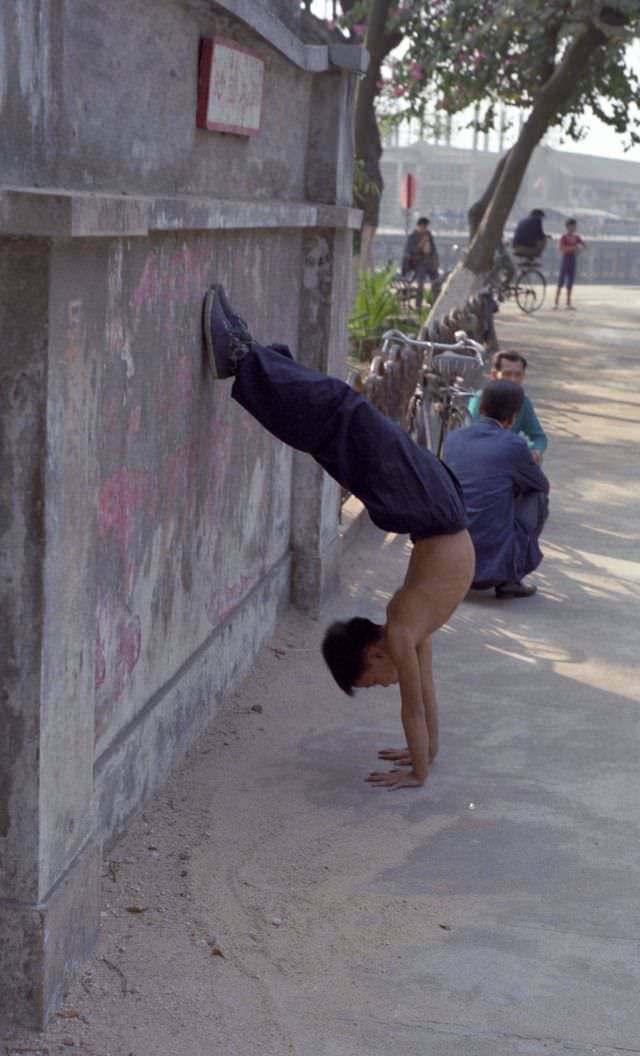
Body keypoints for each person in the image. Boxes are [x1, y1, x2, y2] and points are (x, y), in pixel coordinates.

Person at [202, 284, 475, 790]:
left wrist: (424, 758)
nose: (383, 686)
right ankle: (246, 357)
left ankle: (249, 357)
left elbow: (420, 703)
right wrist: (421, 766)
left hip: (435, 506)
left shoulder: (408, 628)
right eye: (373, 684)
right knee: (338, 418)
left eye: (370, 684)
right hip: (433, 506)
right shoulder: (402, 634)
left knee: (337, 421)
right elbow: (416, 707)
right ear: (372, 655)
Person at [443, 380, 549, 599]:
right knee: (537, 496)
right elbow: (540, 485)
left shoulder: (453, 438)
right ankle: (510, 578)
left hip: (449, 561)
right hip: (489, 571)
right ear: (513, 418)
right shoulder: (514, 445)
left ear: (480, 408)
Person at [467, 350, 548, 464]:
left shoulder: (523, 401)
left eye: (518, 375)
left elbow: (539, 437)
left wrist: (536, 451)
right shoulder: (480, 399)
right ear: (494, 375)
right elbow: (471, 436)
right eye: (507, 374)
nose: (513, 380)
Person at [401, 216, 439, 309]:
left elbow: (433, 250)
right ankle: (418, 306)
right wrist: (421, 243)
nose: (424, 229)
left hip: (429, 263)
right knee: (420, 284)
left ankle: (435, 304)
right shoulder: (412, 237)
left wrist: (435, 261)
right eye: (422, 227)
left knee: (436, 282)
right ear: (418, 226)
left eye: (425, 227)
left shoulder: (429, 236)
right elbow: (410, 251)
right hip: (419, 263)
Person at [554, 218, 586, 310]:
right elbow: (561, 248)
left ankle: (568, 303)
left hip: (573, 260)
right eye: (572, 226)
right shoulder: (563, 237)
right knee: (561, 281)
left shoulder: (577, 238)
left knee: (570, 282)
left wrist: (579, 249)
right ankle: (556, 303)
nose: (574, 228)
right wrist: (574, 248)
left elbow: (584, 246)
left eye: (575, 226)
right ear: (568, 227)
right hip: (565, 260)